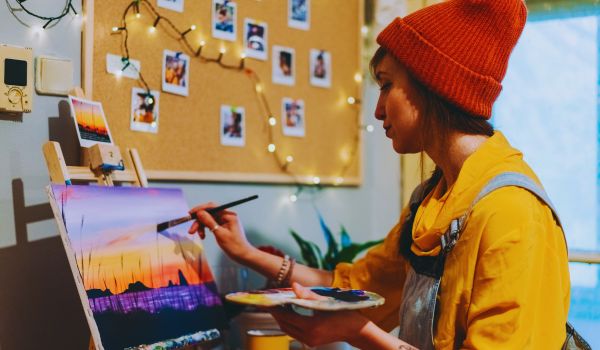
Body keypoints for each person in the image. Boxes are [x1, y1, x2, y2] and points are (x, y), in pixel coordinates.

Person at [189, 0, 575, 348]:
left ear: (432, 85)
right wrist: (248, 254)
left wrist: (357, 332)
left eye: (387, 85)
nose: (377, 110)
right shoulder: (432, 200)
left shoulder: (513, 214)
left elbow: (358, 317)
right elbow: (357, 289)